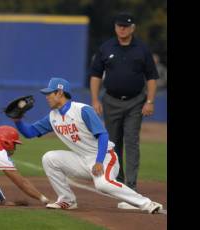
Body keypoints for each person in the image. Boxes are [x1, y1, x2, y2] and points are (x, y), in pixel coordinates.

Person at [9, 77, 163, 214]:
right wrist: (18, 120)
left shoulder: (82, 110)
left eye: (50, 93)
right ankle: (67, 200)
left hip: (105, 157)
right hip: (82, 160)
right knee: (49, 158)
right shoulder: (53, 116)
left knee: (103, 185)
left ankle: (147, 203)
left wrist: (98, 161)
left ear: (60, 93)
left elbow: (103, 135)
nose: (47, 97)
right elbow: (29, 133)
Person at [89, 12, 159, 191]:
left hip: (135, 101)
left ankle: (131, 184)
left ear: (132, 28)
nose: (122, 29)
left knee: (131, 141)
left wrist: (150, 101)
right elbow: (96, 75)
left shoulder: (142, 49)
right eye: (119, 26)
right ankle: (118, 181)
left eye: (126, 26)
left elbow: (151, 77)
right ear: (115, 27)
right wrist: (95, 100)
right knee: (113, 142)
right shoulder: (106, 48)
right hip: (111, 101)